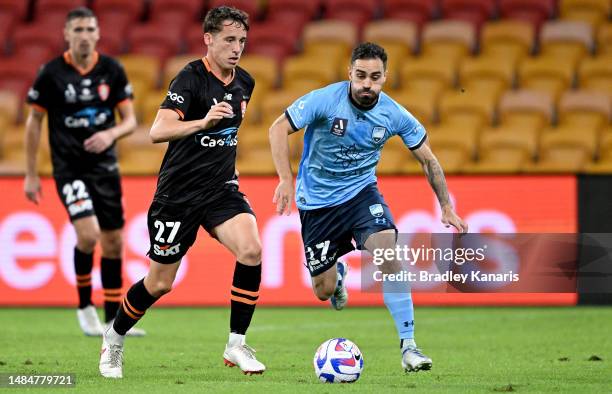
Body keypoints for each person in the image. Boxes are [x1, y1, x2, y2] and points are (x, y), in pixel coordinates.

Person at [269, 42, 468, 373]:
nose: (367, 84)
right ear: (350, 73)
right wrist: (286, 180)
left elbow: (428, 159)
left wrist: (446, 206)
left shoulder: (393, 113)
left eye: (375, 77)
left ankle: (409, 347)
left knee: (388, 253)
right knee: (323, 290)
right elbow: (278, 128)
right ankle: (339, 276)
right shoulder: (324, 100)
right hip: (316, 204)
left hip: (361, 194)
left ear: (385, 77)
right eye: (360, 75)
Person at [99, 6, 265, 379]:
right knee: (160, 283)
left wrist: (227, 164)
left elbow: (227, 135)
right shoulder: (190, 79)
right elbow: (158, 130)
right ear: (208, 39)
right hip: (177, 195)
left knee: (252, 250)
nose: (236, 48)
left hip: (221, 190)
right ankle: (113, 337)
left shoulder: (245, 83)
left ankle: (236, 344)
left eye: (241, 40)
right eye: (228, 40)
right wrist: (204, 121)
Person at [24, 7, 144, 338]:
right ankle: (84, 307)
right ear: (66, 34)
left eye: (90, 29)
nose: (85, 35)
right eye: (78, 29)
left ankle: (112, 320)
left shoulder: (112, 70)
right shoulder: (51, 73)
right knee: (89, 236)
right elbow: (34, 123)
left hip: (105, 168)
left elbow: (131, 121)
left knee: (114, 242)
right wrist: (32, 174)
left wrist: (111, 134)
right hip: (69, 169)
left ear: (98, 33)